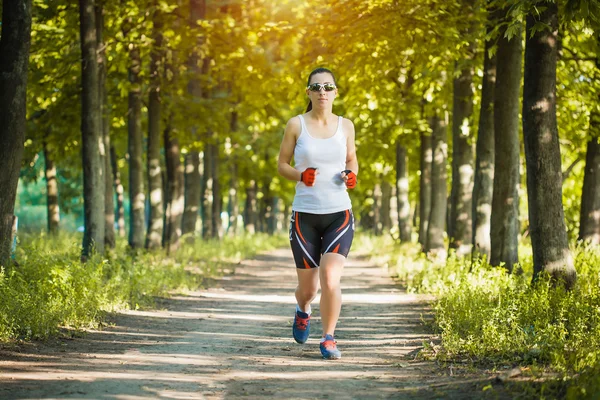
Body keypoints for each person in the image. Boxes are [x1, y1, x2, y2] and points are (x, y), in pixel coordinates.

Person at [277, 67, 358, 359]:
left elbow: (351, 160)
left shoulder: (346, 125)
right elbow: (282, 164)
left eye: (328, 86)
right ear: (309, 93)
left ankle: (328, 338)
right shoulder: (295, 124)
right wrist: (301, 176)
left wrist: (352, 175)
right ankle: (303, 309)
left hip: (339, 213)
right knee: (309, 289)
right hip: (305, 216)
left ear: (336, 92)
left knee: (330, 276)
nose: (322, 91)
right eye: (316, 87)